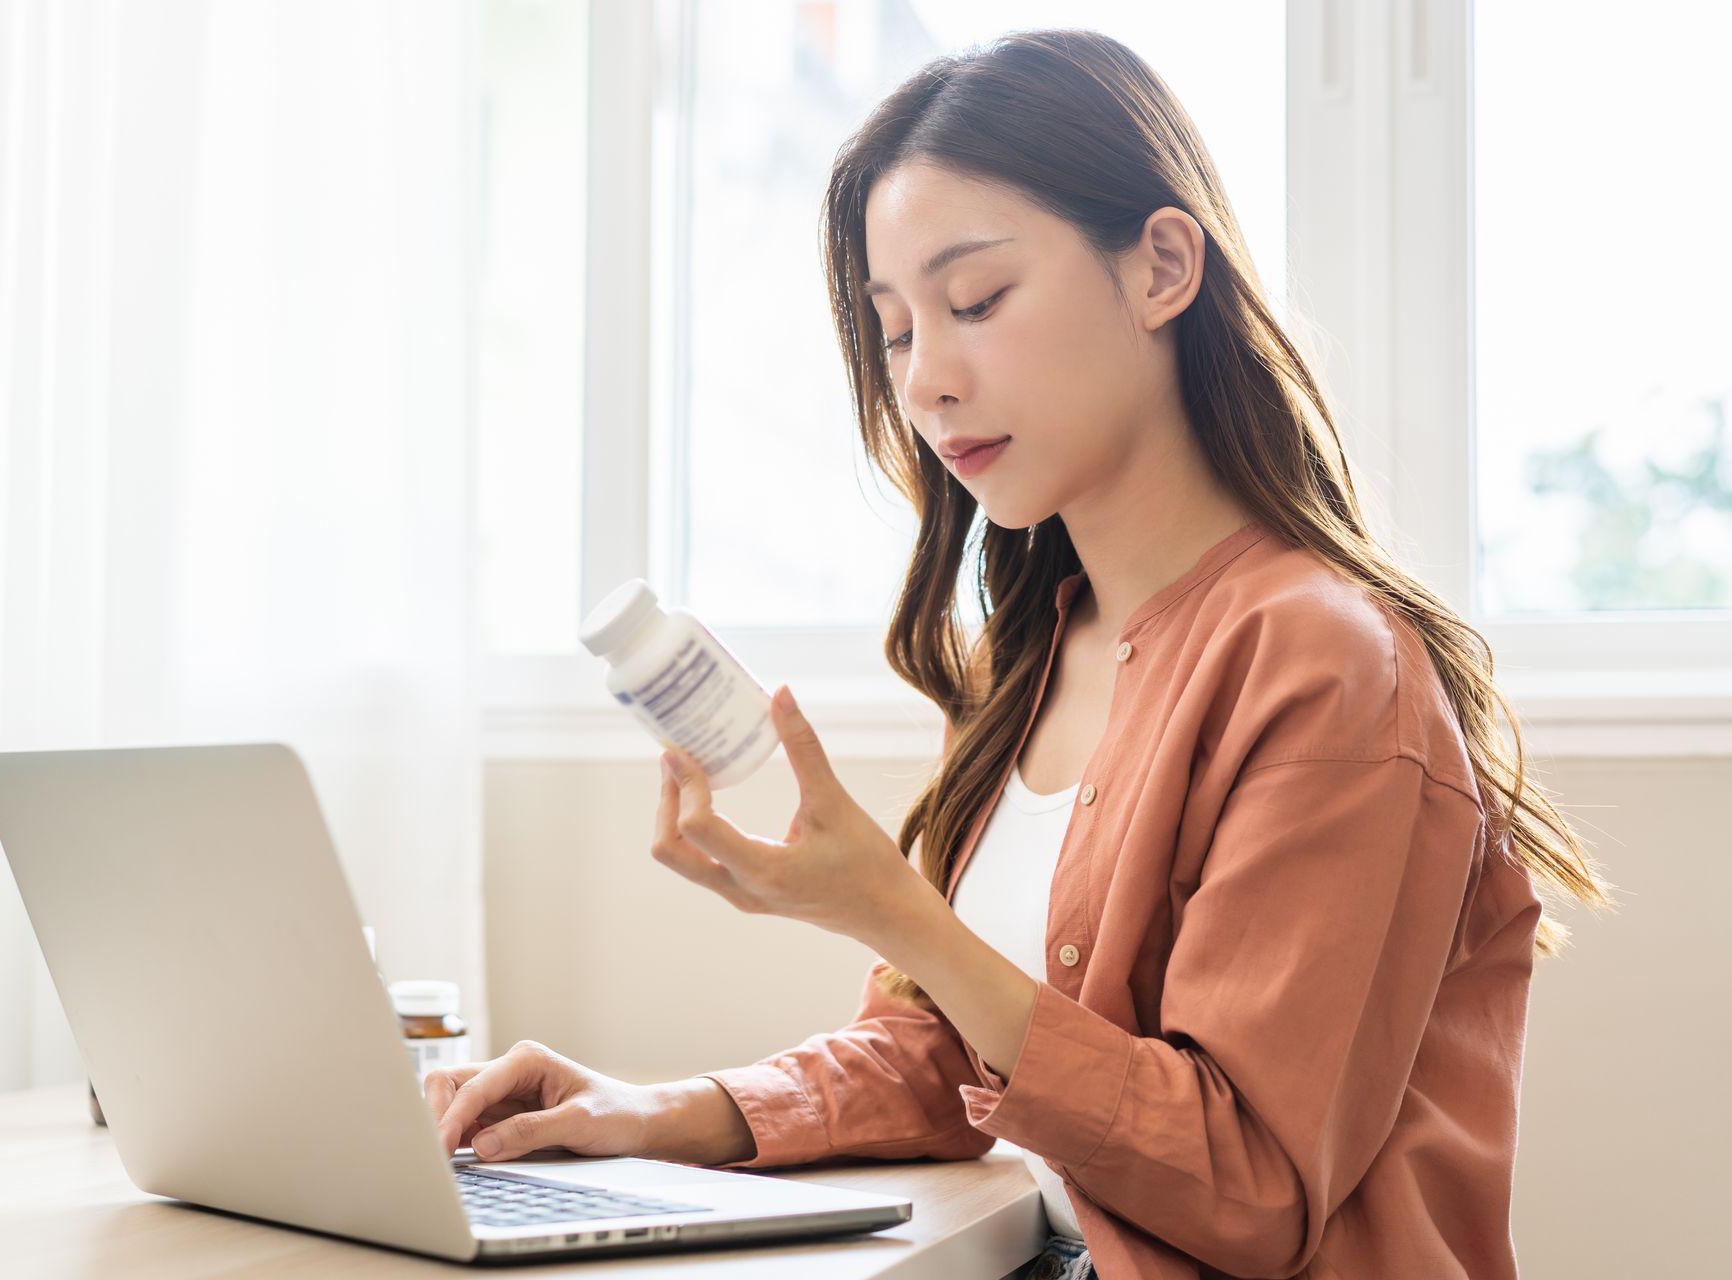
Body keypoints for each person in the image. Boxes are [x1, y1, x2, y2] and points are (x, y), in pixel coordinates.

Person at [427, 28, 1614, 1279]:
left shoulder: (1325, 663)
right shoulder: (1035, 656)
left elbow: (1251, 1188)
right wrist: (654, 1111)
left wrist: (900, 915)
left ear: (1162, 267)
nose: (928, 379)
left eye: (978, 300)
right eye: (893, 331)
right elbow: (958, 1057)